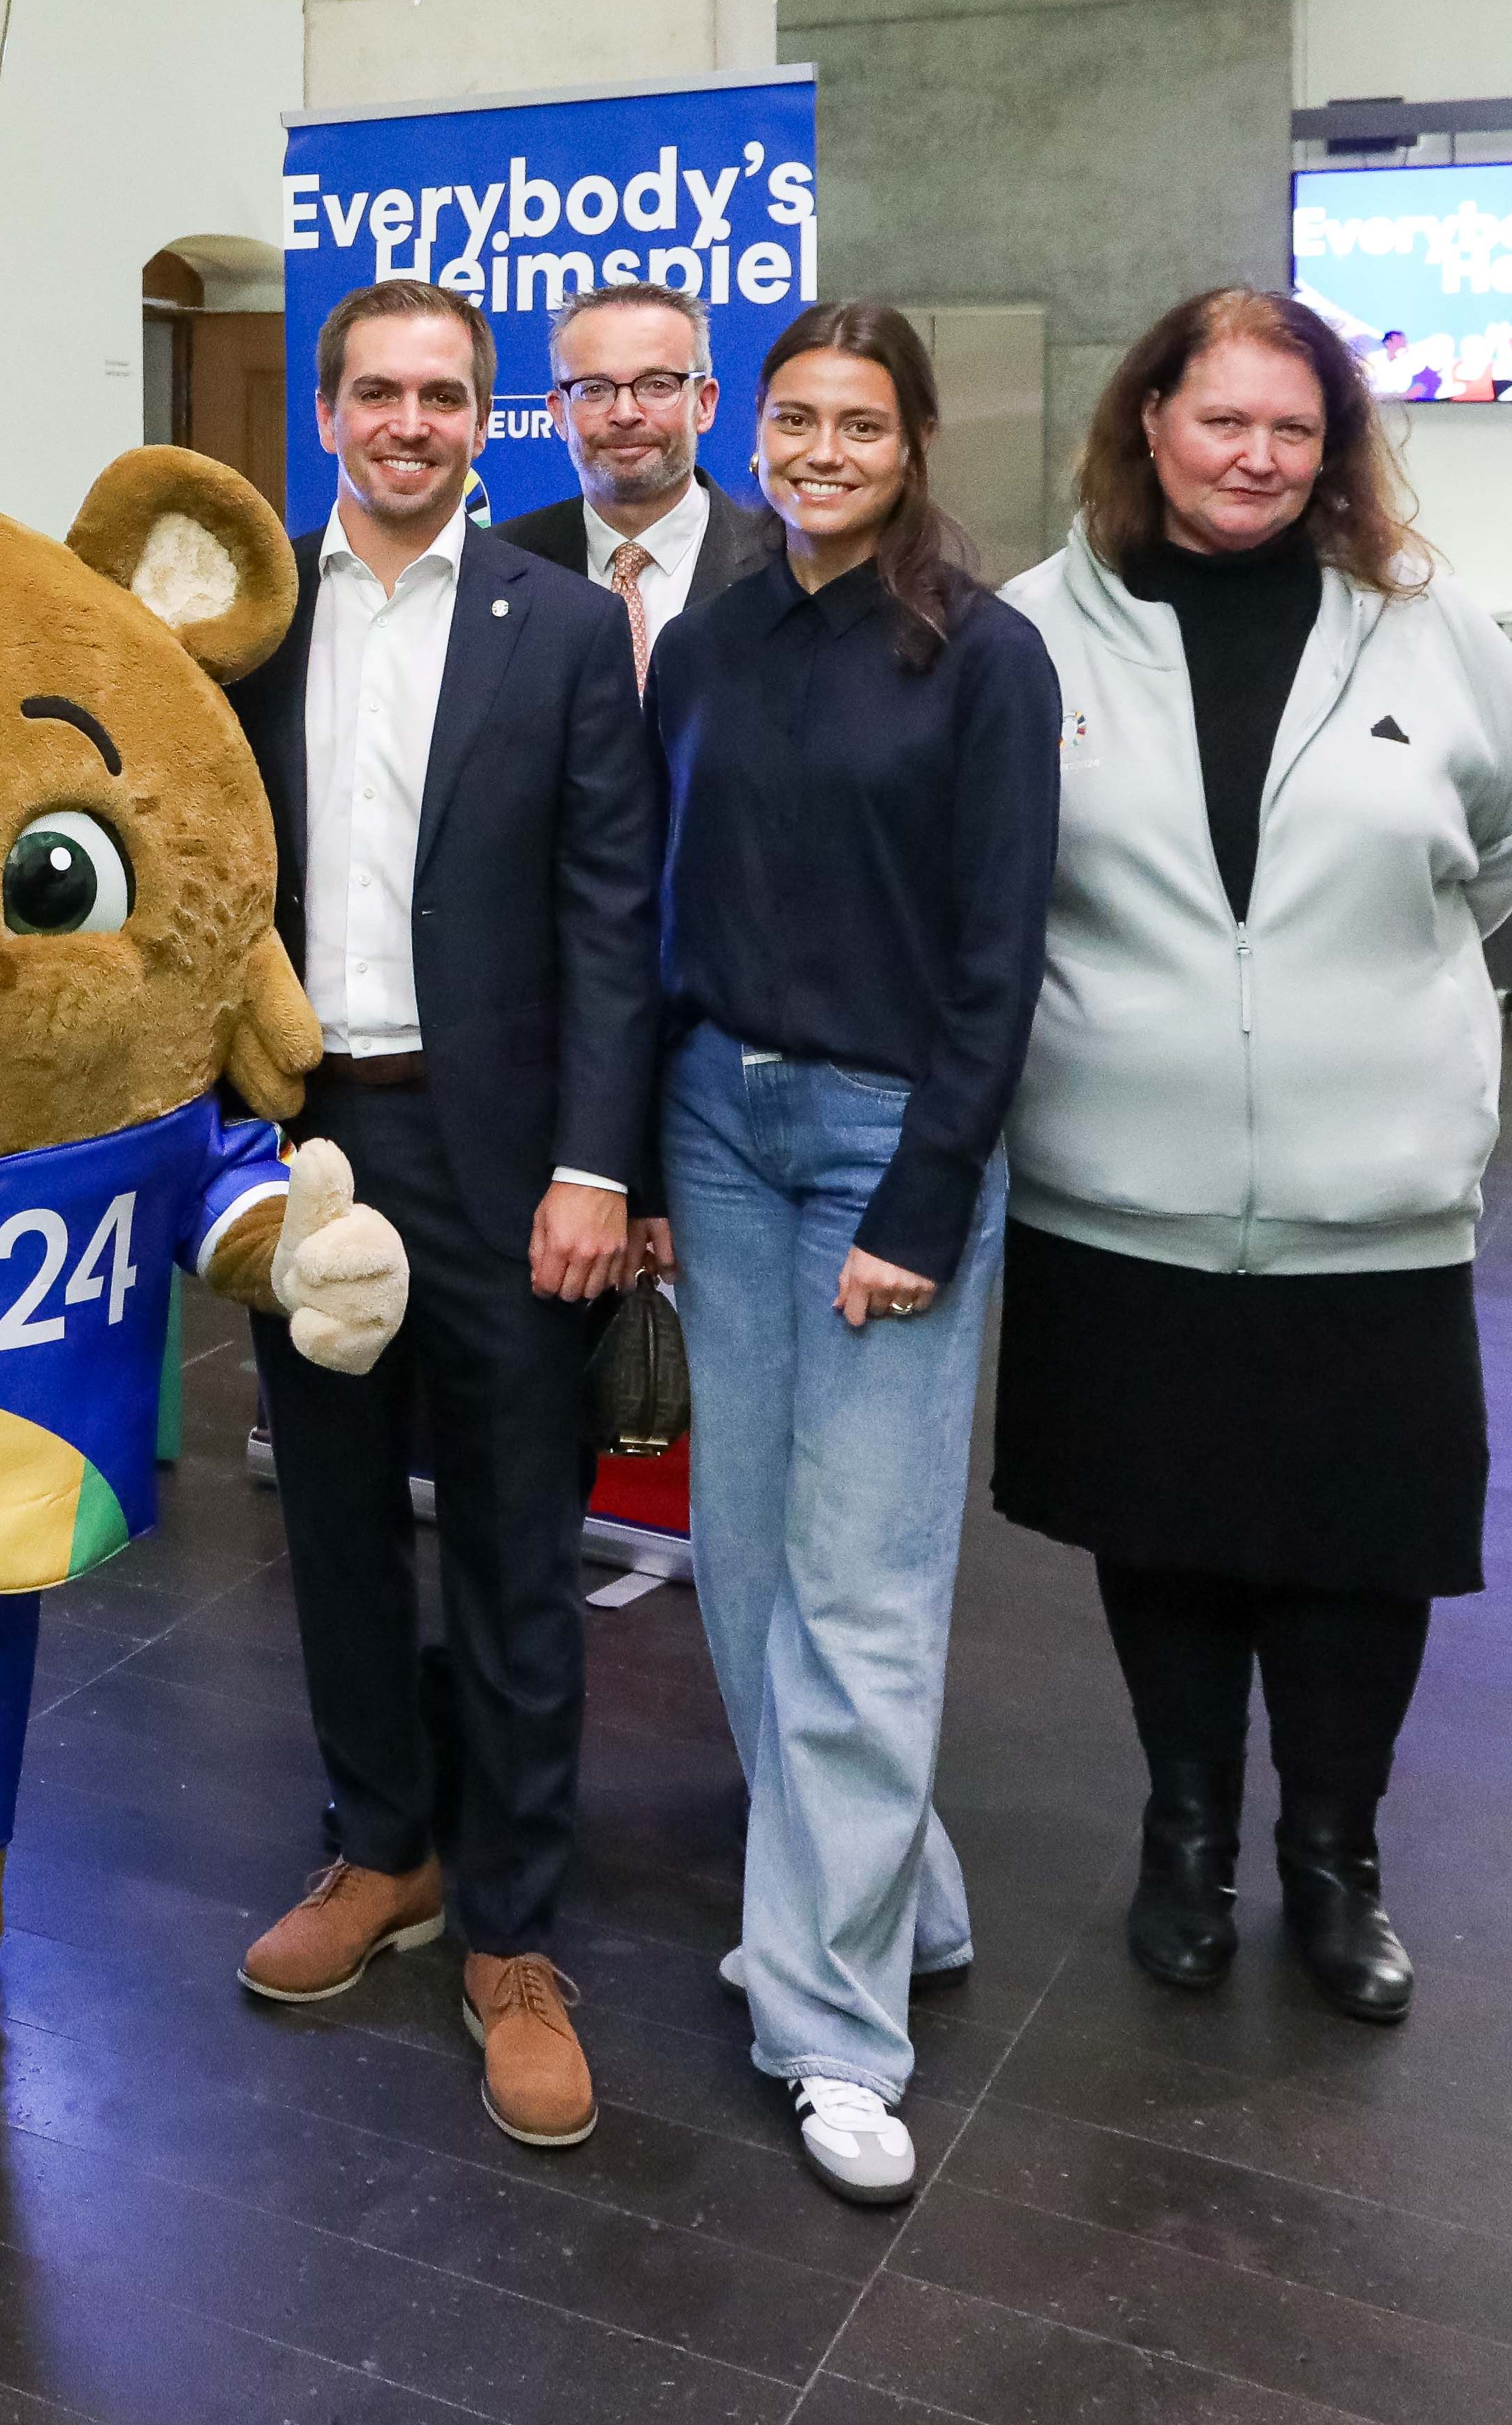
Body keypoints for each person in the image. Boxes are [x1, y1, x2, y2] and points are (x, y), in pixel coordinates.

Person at [994, 287, 1512, 2031]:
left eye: (1293, 426)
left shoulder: (1421, 620)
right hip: (1121, 1189)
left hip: (1370, 1200)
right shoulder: (1038, 629)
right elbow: (992, 873)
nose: (1257, 453)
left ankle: (1335, 1859)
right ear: (1148, 419)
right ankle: (1185, 1840)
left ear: (1333, 448)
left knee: (1355, 1549)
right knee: (1161, 1537)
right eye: (1222, 416)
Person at [223, 279, 660, 2155]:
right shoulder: (239, 629)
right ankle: (379, 1849)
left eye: (445, 397)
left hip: (500, 1165)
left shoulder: (560, 628)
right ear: (326, 412)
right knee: (324, 1523)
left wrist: (594, 1165)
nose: (410, 422)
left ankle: (509, 1933)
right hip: (306, 1145)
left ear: (487, 422)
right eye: (378, 392)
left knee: (508, 1542)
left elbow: (607, 914)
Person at [643, 299, 1058, 2206]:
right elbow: (667, 906)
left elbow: (996, 964)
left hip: (891, 1144)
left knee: (865, 1579)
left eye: (859, 426)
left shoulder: (983, 659)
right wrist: (644, 1150)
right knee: (738, 1556)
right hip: (718, 1132)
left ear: (912, 448)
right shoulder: (707, 643)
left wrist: (919, 1203)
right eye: (794, 418)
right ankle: (908, 1898)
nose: (819, 452)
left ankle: (827, 2029)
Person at [494, 282, 784, 691]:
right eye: (594, 390)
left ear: (705, 404)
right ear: (559, 415)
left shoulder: (785, 565)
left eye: (657, 385)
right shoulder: (496, 568)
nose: (625, 414)